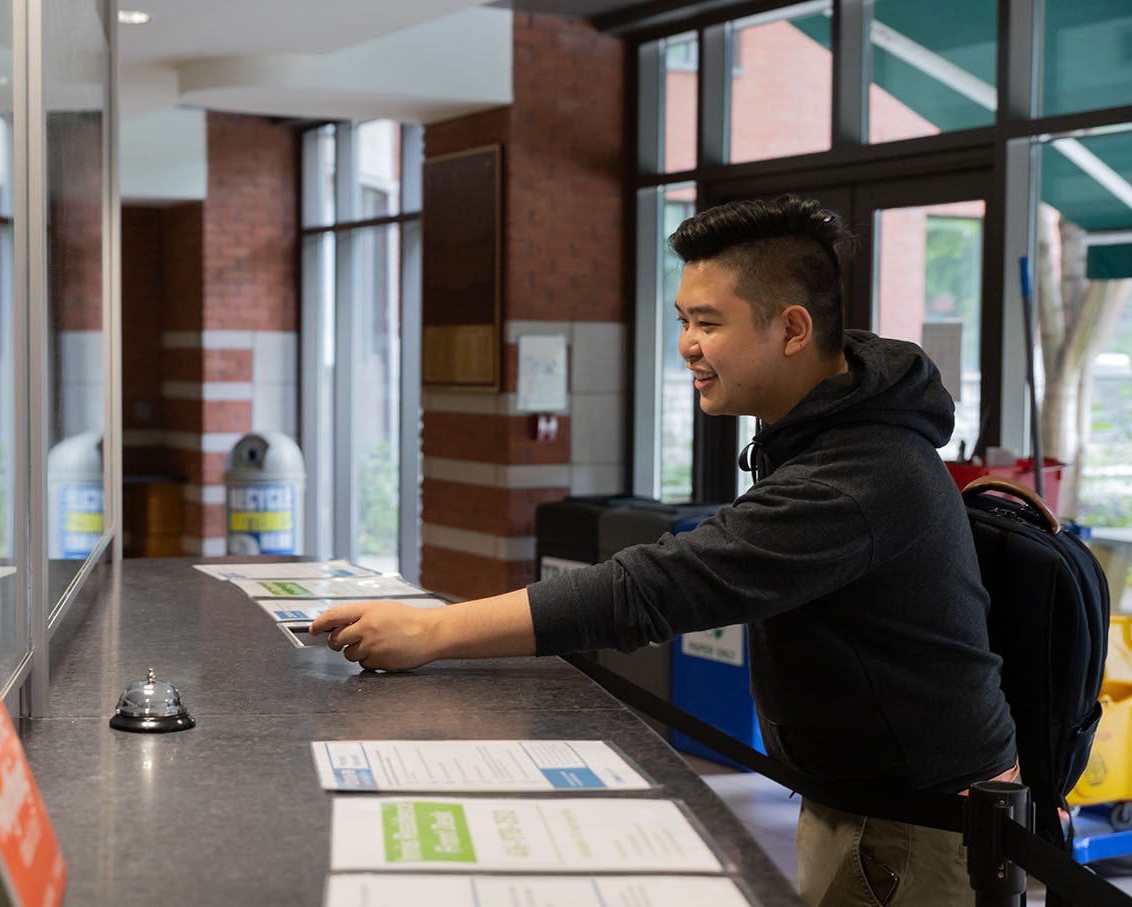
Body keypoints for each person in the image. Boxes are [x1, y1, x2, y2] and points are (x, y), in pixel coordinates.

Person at [310, 194, 1016, 907]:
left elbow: (652, 587)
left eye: (708, 322)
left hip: (910, 829)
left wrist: (433, 630)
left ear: (793, 329)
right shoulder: (826, 433)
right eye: (683, 320)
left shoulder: (861, 474)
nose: (687, 344)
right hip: (867, 805)